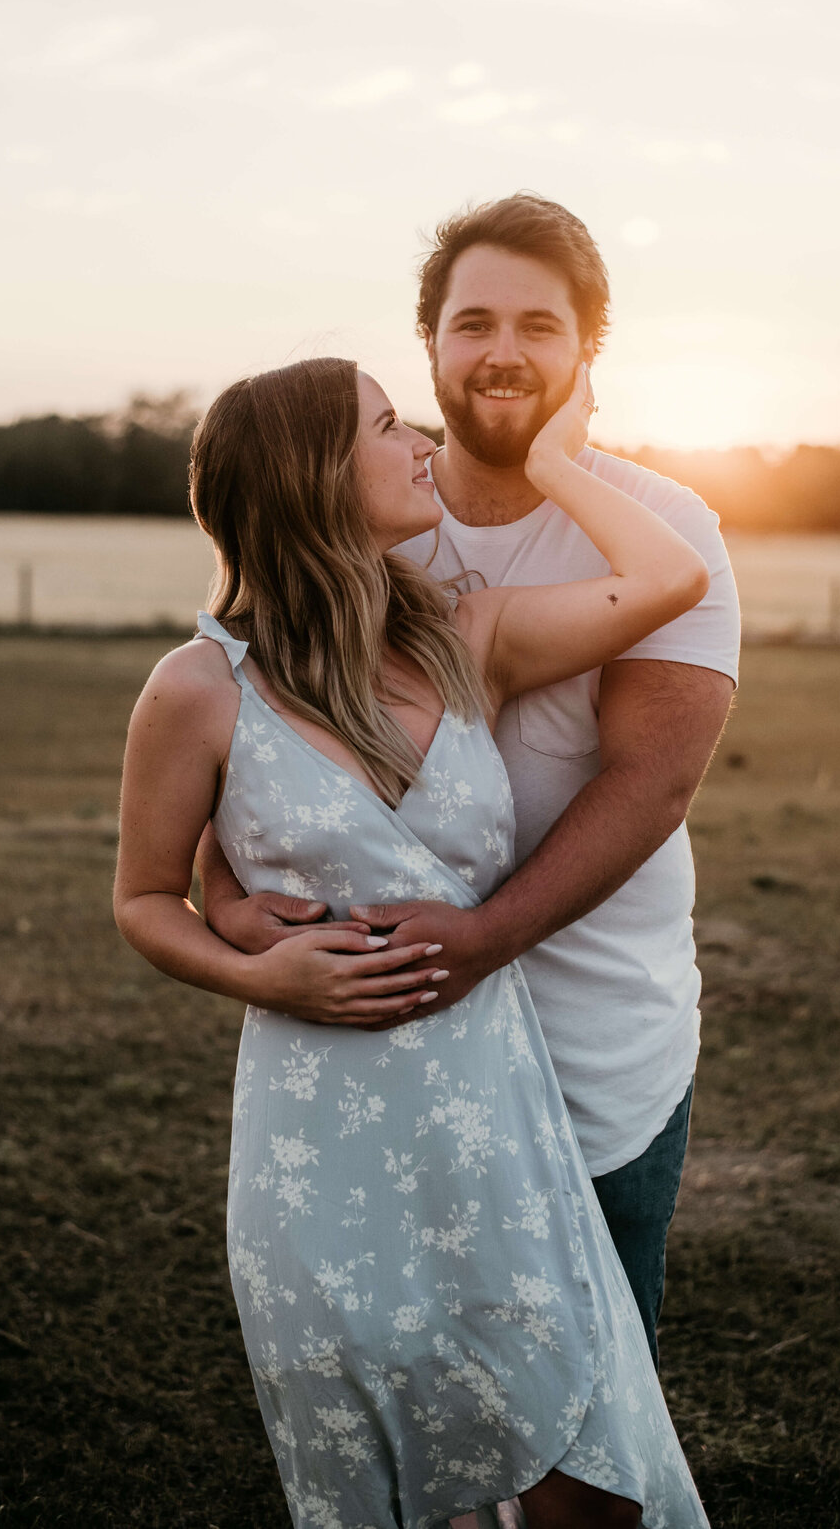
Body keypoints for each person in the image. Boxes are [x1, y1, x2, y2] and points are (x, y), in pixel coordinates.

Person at [114, 355, 712, 1528]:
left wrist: (551, 461)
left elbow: (672, 572)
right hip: (315, 1134)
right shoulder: (197, 688)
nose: (422, 436)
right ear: (315, 478)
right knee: (392, 1474)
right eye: (390, 425)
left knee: (581, 1474)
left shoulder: (463, 639)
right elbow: (141, 896)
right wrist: (254, 963)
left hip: (492, 1113)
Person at [200, 196, 741, 1359]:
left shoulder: (664, 521)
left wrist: (487, 934)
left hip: (597, 1035)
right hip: (394, 1036)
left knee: (588, 1390)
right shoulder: (374, 520)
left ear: (587, 352)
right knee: (424, 1374)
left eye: (541, 327)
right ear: (432, 344)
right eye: (473, 322)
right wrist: (232, 901)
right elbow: (246, 740)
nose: (503, 352)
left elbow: (650, 785)